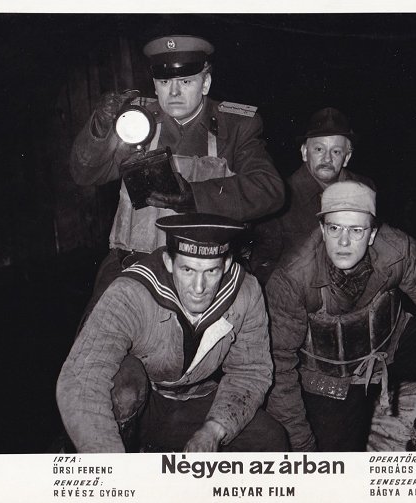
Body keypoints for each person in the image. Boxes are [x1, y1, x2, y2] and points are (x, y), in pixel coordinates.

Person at [70, 35, 284, 318]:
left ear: (205, 83)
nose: (173, 93)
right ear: (155, 84)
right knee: (92, 348)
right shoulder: (137, 123)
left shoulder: (235, 126)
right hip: (133, 266)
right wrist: (99, 128)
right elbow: (85, 174)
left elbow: (270, 189)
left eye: (186, 82)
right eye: (165, 82)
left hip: (202, 275)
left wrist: (195, 197)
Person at [265, 180, 416, 451]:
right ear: (321, 229)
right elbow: (278, 363)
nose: (344, 242)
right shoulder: (292, 278)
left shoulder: (394, 249)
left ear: (371, 234)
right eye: (334, 228)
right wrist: (300, 443)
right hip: (332, 377)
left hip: (390, 345)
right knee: (333, 464)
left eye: (356, 230)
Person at [56, 213, 287, 452]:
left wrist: (213, 430)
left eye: (211, 272)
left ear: (227, 264)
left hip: (194, 400)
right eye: (187, 270)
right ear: (168, 262)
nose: (199, 288)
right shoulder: (130, 293)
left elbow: (250, 371)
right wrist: (112, 468)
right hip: (138, 404)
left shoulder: (244, 292)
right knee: (123, 389)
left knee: (270, 440)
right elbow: (83, 378)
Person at [250, 107, 372, 284]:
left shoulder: (365, 189)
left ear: (347, 157)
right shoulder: (279, 198)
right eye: (319, 150)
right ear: (304, 152)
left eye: (336, 151)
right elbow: (264, 268)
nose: (327, 159)